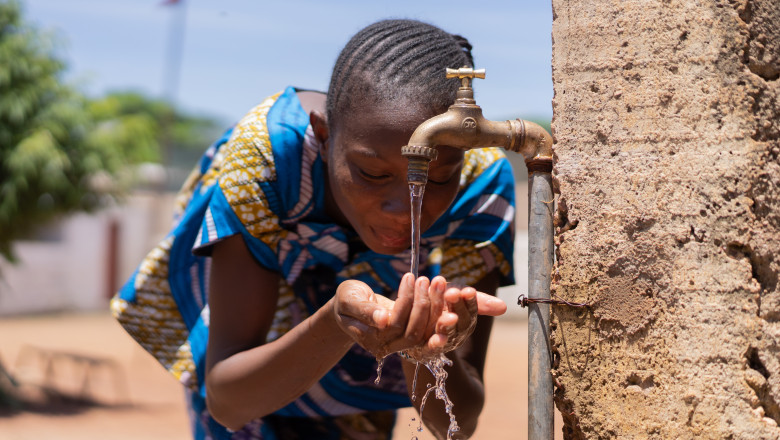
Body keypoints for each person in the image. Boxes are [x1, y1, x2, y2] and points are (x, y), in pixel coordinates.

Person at [112, 18, 516, 440]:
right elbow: (228, 402)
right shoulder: (269, 157)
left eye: (436, 180)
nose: (404, 211)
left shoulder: (479, 185)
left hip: (357, 394)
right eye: (372, 173)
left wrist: (422, 348)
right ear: (323, 135)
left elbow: (457, 423)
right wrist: (337, 323)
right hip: (257, 377)